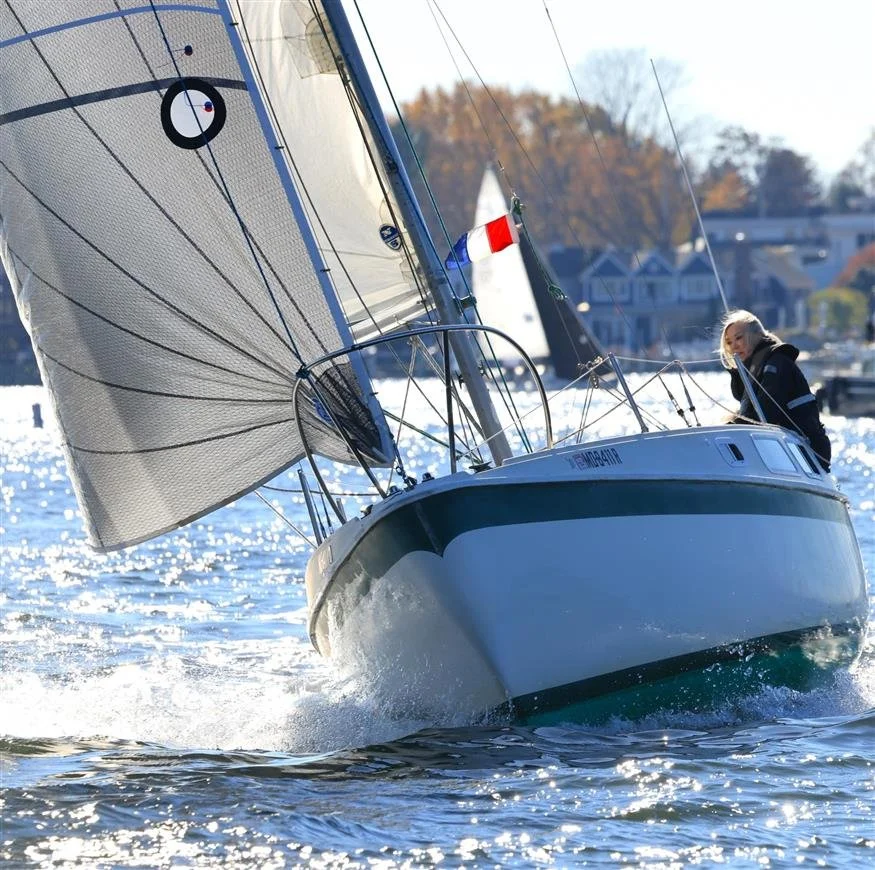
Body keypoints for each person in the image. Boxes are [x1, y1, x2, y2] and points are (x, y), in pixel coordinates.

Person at [719, 310, 831, 470]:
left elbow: (766, 411)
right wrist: (736, 372)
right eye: (729, 342)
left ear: (758, 335)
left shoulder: (777, 363)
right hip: (782, 451)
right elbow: (748, 406)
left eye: (739, 338)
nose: (733, 346)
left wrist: (729, 428)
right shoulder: (754, 367)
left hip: (807, 453)